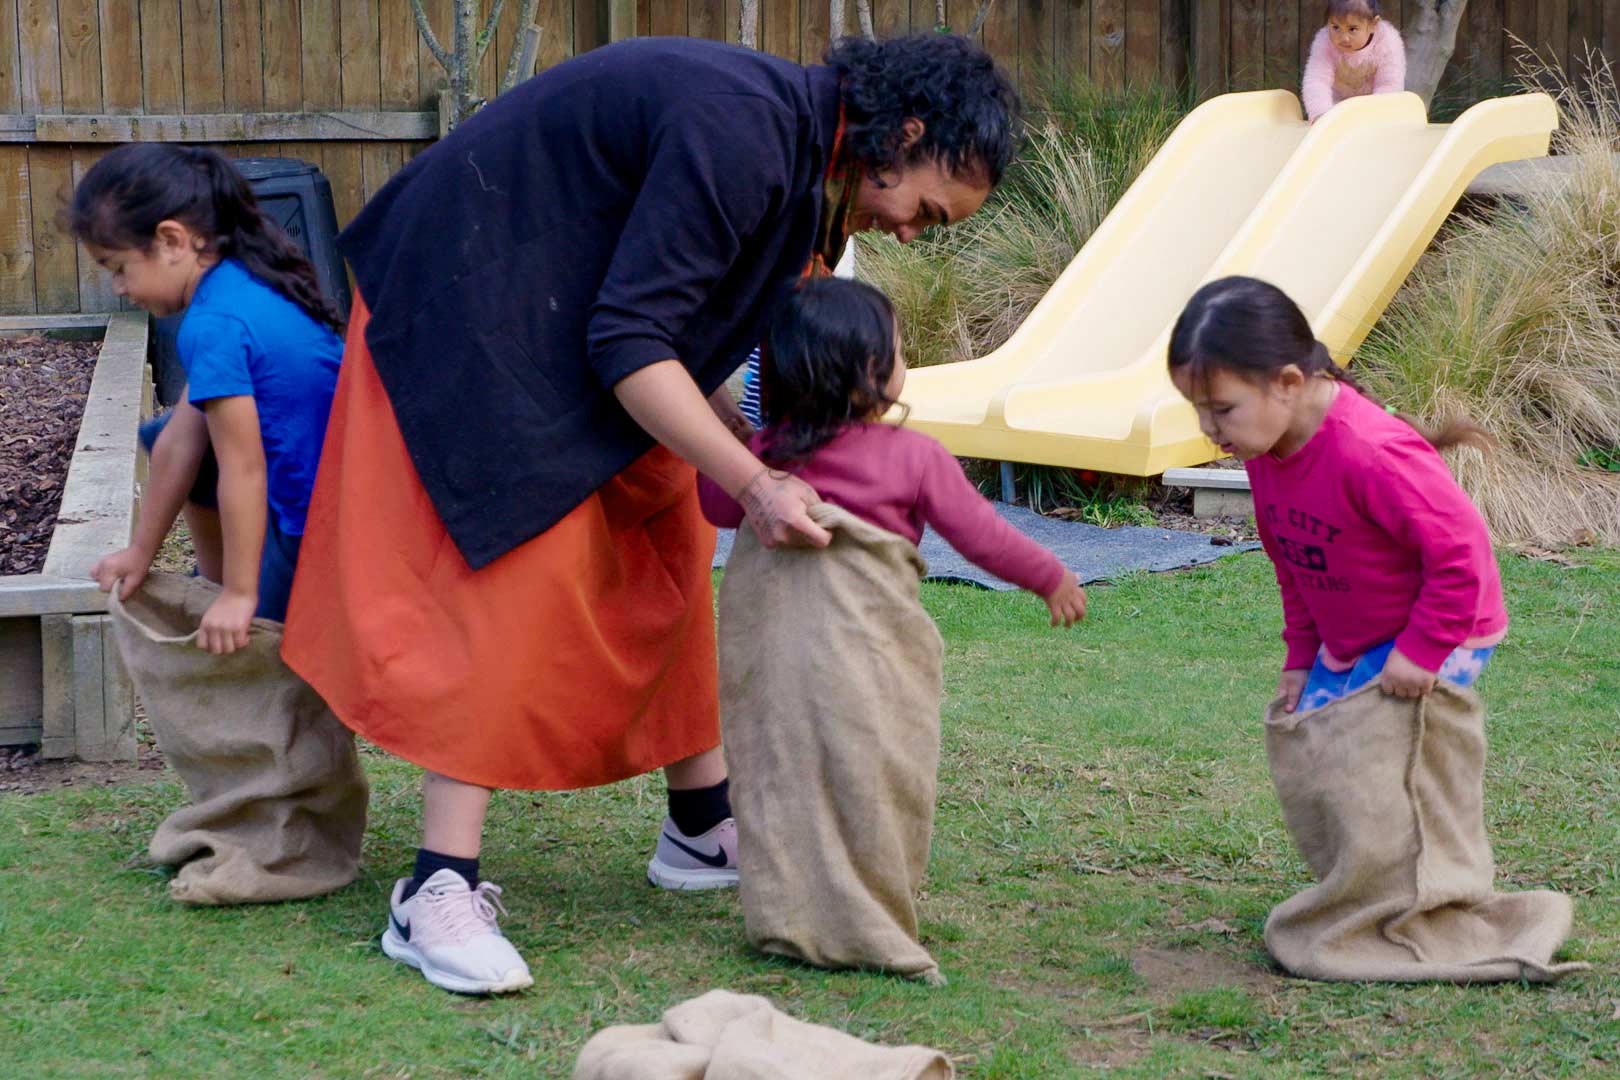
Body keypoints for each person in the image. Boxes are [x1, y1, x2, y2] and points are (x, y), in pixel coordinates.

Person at [280, 32, 1022, 995]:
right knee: (515, 567)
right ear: (906, 134)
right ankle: (436, 890)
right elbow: (632, 337)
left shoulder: (814, 171)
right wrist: (755, 487)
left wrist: (754, 457)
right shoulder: (745, 131)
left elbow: (688, 336)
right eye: (926, 207)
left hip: (569, 307)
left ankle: (701, 824)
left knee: (665, 537)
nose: (916, 232)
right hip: (472, 293)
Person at [1167, 276, 1505, 716]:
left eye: (1222, 410)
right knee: (1315, 751)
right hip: (1354, 640)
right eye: (1197, 409)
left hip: (1439, 634)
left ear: (1288, 382)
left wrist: (1422, 650)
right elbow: (1296, 563)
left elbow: (1463, 554)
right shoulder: (1266, 445)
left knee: (1367, 774)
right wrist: (1302, 657)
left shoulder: (1371, 453)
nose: (1207, 429)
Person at [70, 145, 343, 650]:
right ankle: (212, 584)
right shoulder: (238, 282)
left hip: (318, 519)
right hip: (321, 484)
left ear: (171, 240)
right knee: (166, 432)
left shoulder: (215, 324)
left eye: (119, 267)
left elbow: (245, 468)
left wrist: (242, 596)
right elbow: (178, 443)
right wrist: (140, 552)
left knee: (260, 660)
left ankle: (239, 596)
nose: (119, 287)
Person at [701, 277, 1086, 622]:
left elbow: (715, 506)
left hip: (784, 647)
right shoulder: (916, 458)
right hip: (875, 640)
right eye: (899, 352)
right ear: (872, 371)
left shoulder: (762, 456)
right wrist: (1048, 576)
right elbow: (981, 535)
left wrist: (730, 445)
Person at [1301, 0, 1406, 122]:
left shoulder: (1388, 42)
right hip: (1336, 108)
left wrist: (1374, 117)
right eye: (1335, 27)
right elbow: (1317, 80)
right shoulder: (1324, 42)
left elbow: (1389, 85)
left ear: (1373, 25)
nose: (1343, 38)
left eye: (1352, 29)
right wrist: (1320, 113)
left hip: (1375, 108)